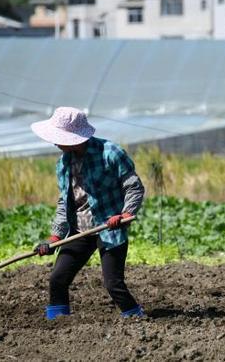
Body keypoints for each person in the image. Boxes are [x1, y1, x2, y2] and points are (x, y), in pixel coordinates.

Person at [30, 106, 145, 319]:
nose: (55, 143)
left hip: (109, 228)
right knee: (57, 278)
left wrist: (126, 213)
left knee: (113, 284)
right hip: (79, 229)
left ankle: (137, 319)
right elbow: (65, 203)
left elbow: (133, 186)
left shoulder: (110, 153)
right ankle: (57, 324)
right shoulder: (63, 164)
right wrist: (55, 237)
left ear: (75, 138)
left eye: (59, 138)